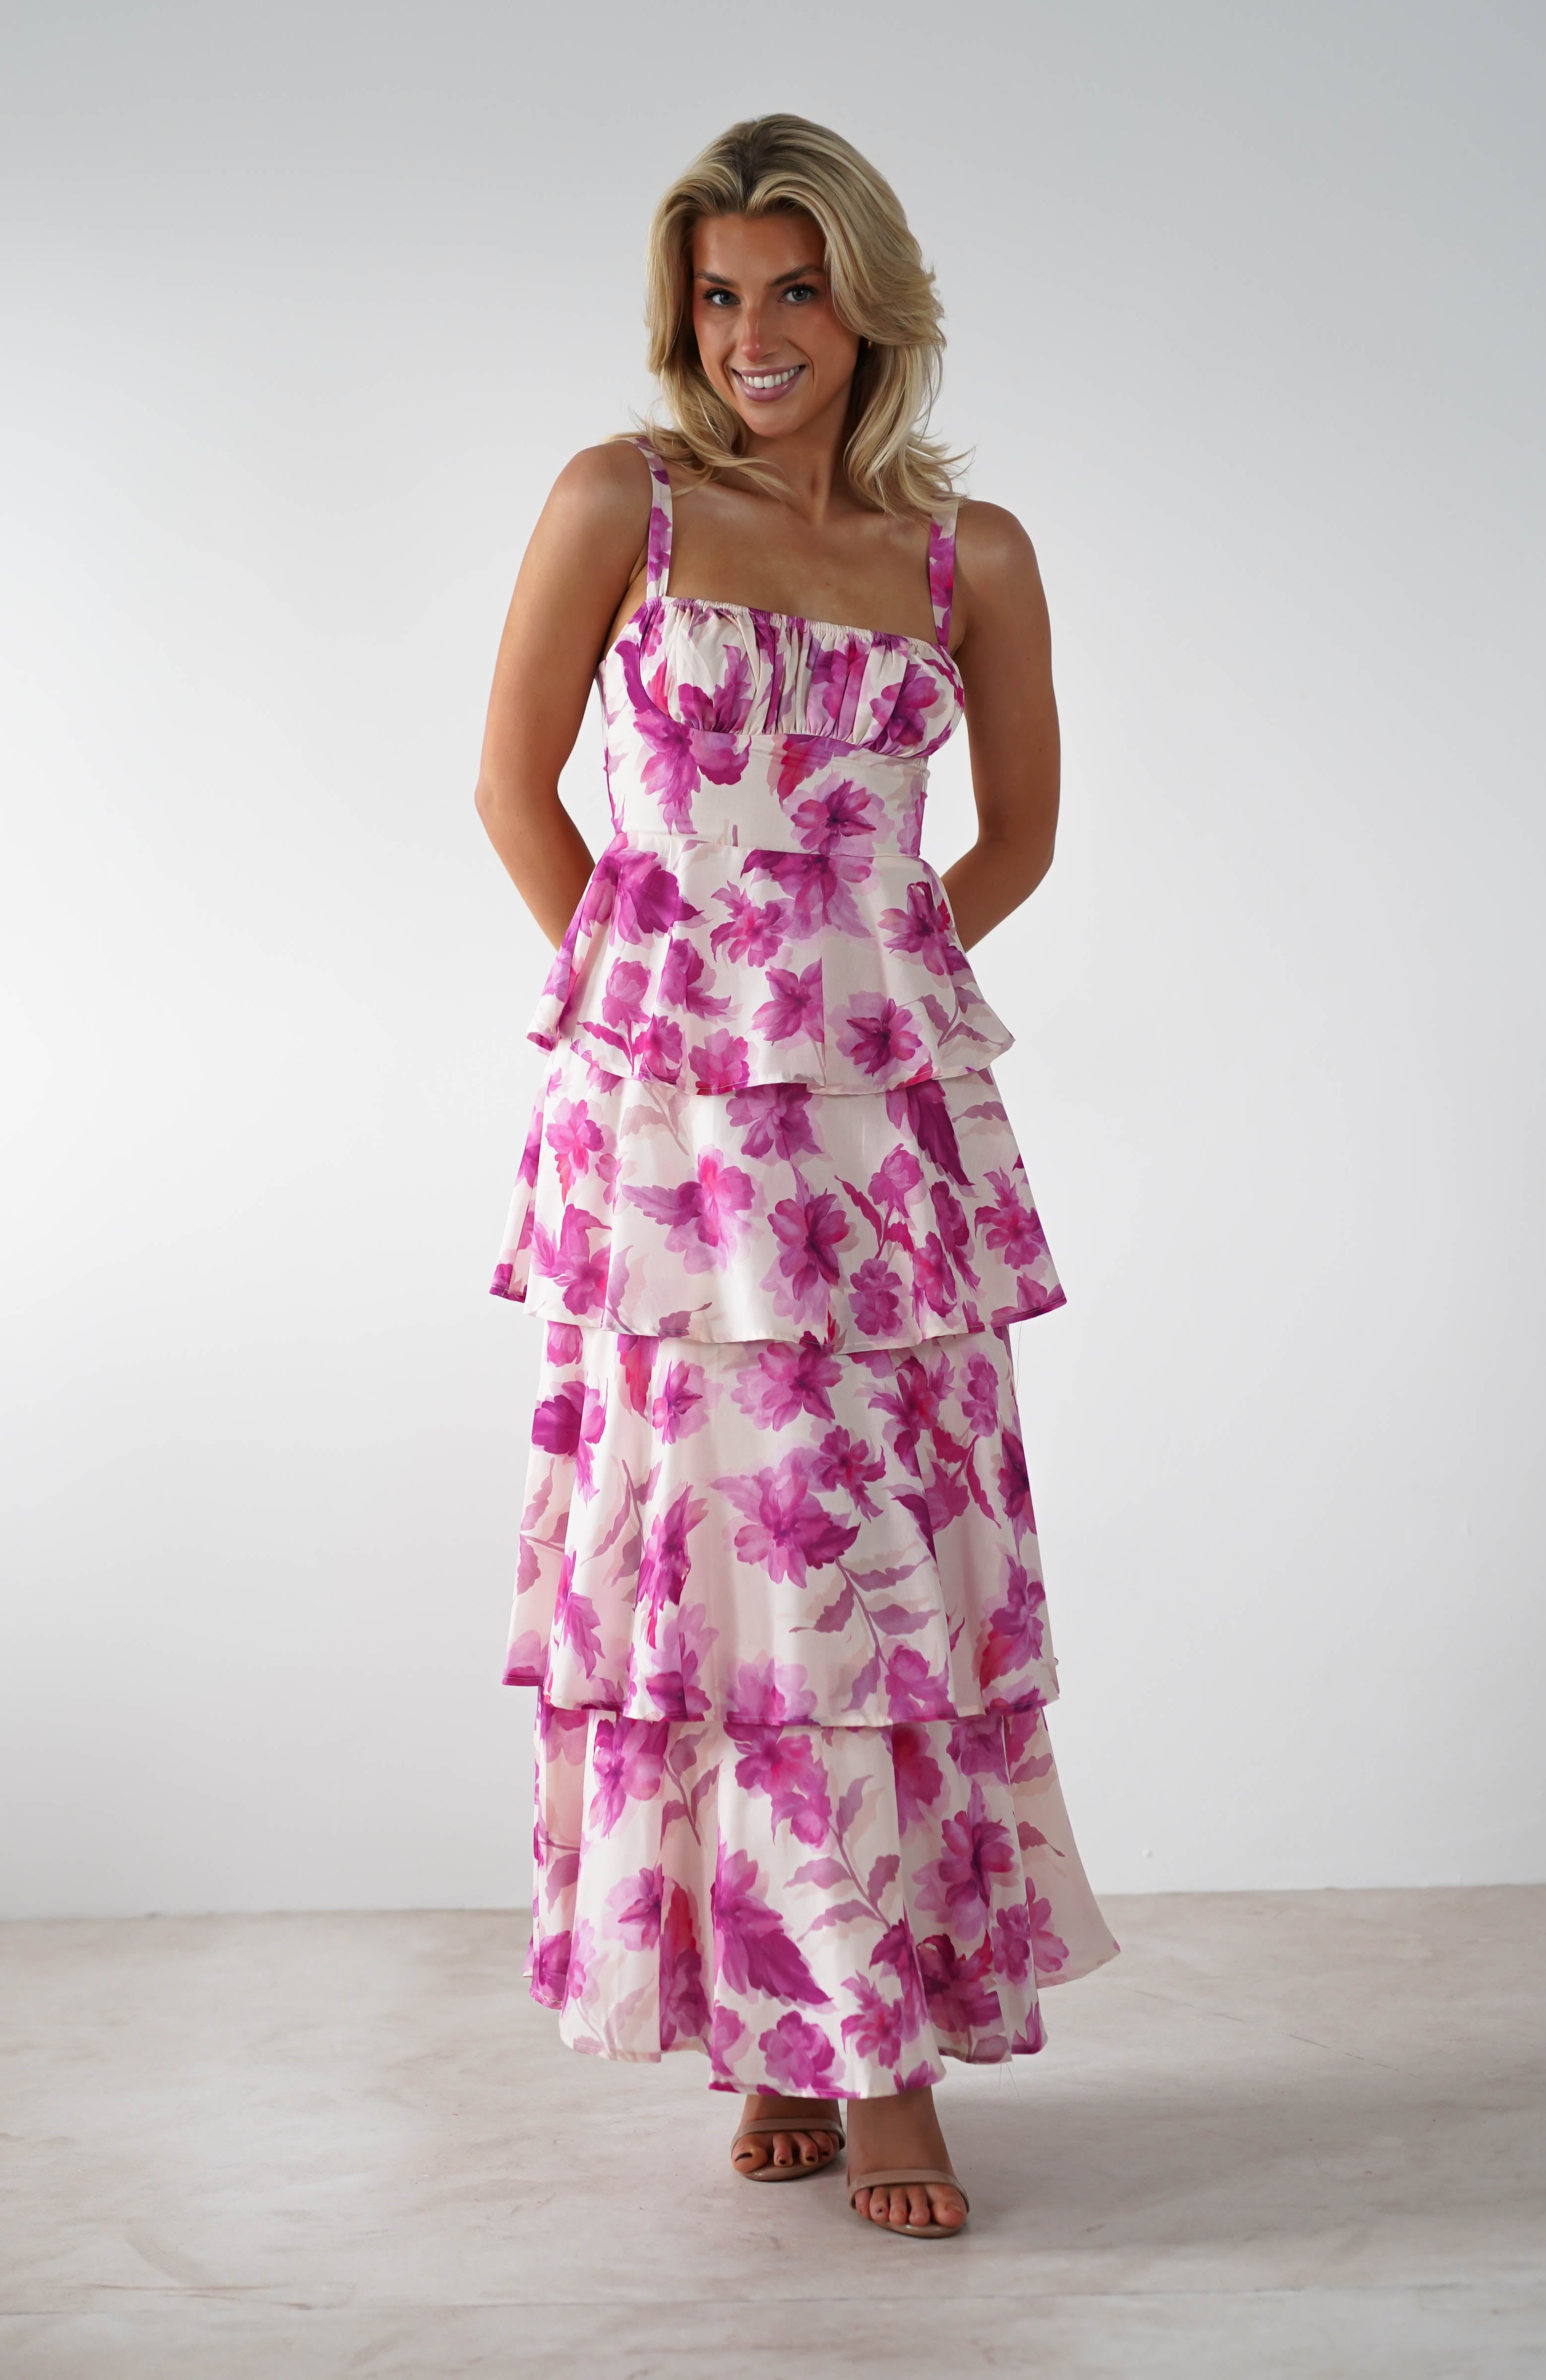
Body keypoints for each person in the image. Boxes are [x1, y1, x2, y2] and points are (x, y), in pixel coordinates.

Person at [474, 113, 1117, 2241]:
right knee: (713, 1577)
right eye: (718, 293)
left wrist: (851, 1001)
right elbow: (509, 786)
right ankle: (772, 2026)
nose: (752, 332)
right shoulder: (621, 503)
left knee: (877, 1574)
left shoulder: (969, 555)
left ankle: (890, 2062)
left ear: (869, 305)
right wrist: (667, 1016)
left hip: (875, 1156)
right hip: (670, 1152)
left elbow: (1008, 837)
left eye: (795, 288)